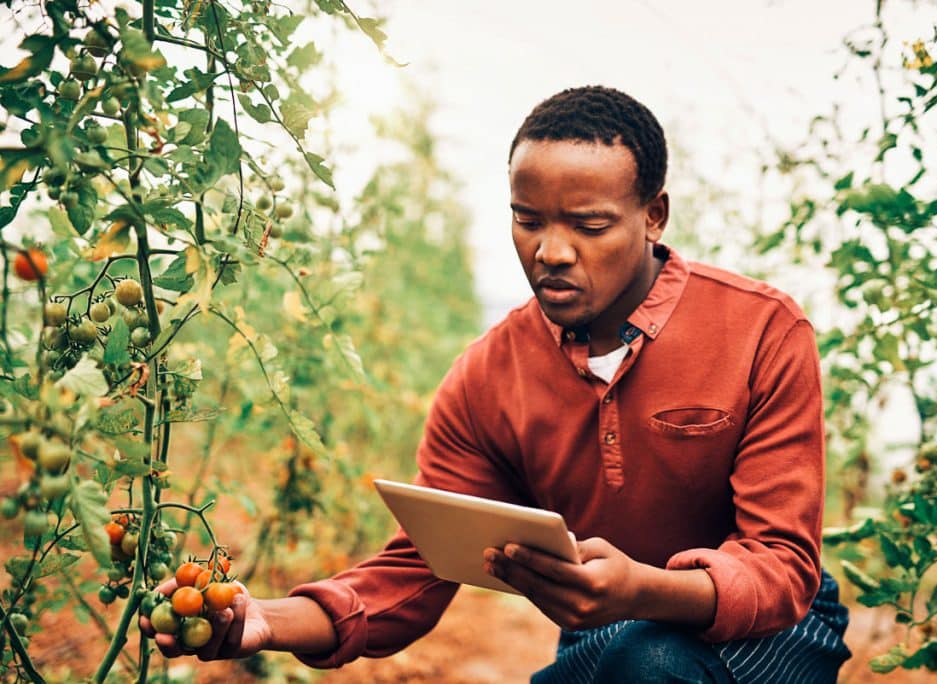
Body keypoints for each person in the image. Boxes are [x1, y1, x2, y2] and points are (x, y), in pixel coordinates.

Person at [141, 85, 852, 683]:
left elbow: (782, 569)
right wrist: (265, 619)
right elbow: (414, 573)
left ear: (653, 216)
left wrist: (645, 589)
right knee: (632, 658)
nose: (551, 251)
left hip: (776, 635)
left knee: (650, 660)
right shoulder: (489, 377)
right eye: (527, 219)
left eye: (590, 225)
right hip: (605, 637)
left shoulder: (762, 332)